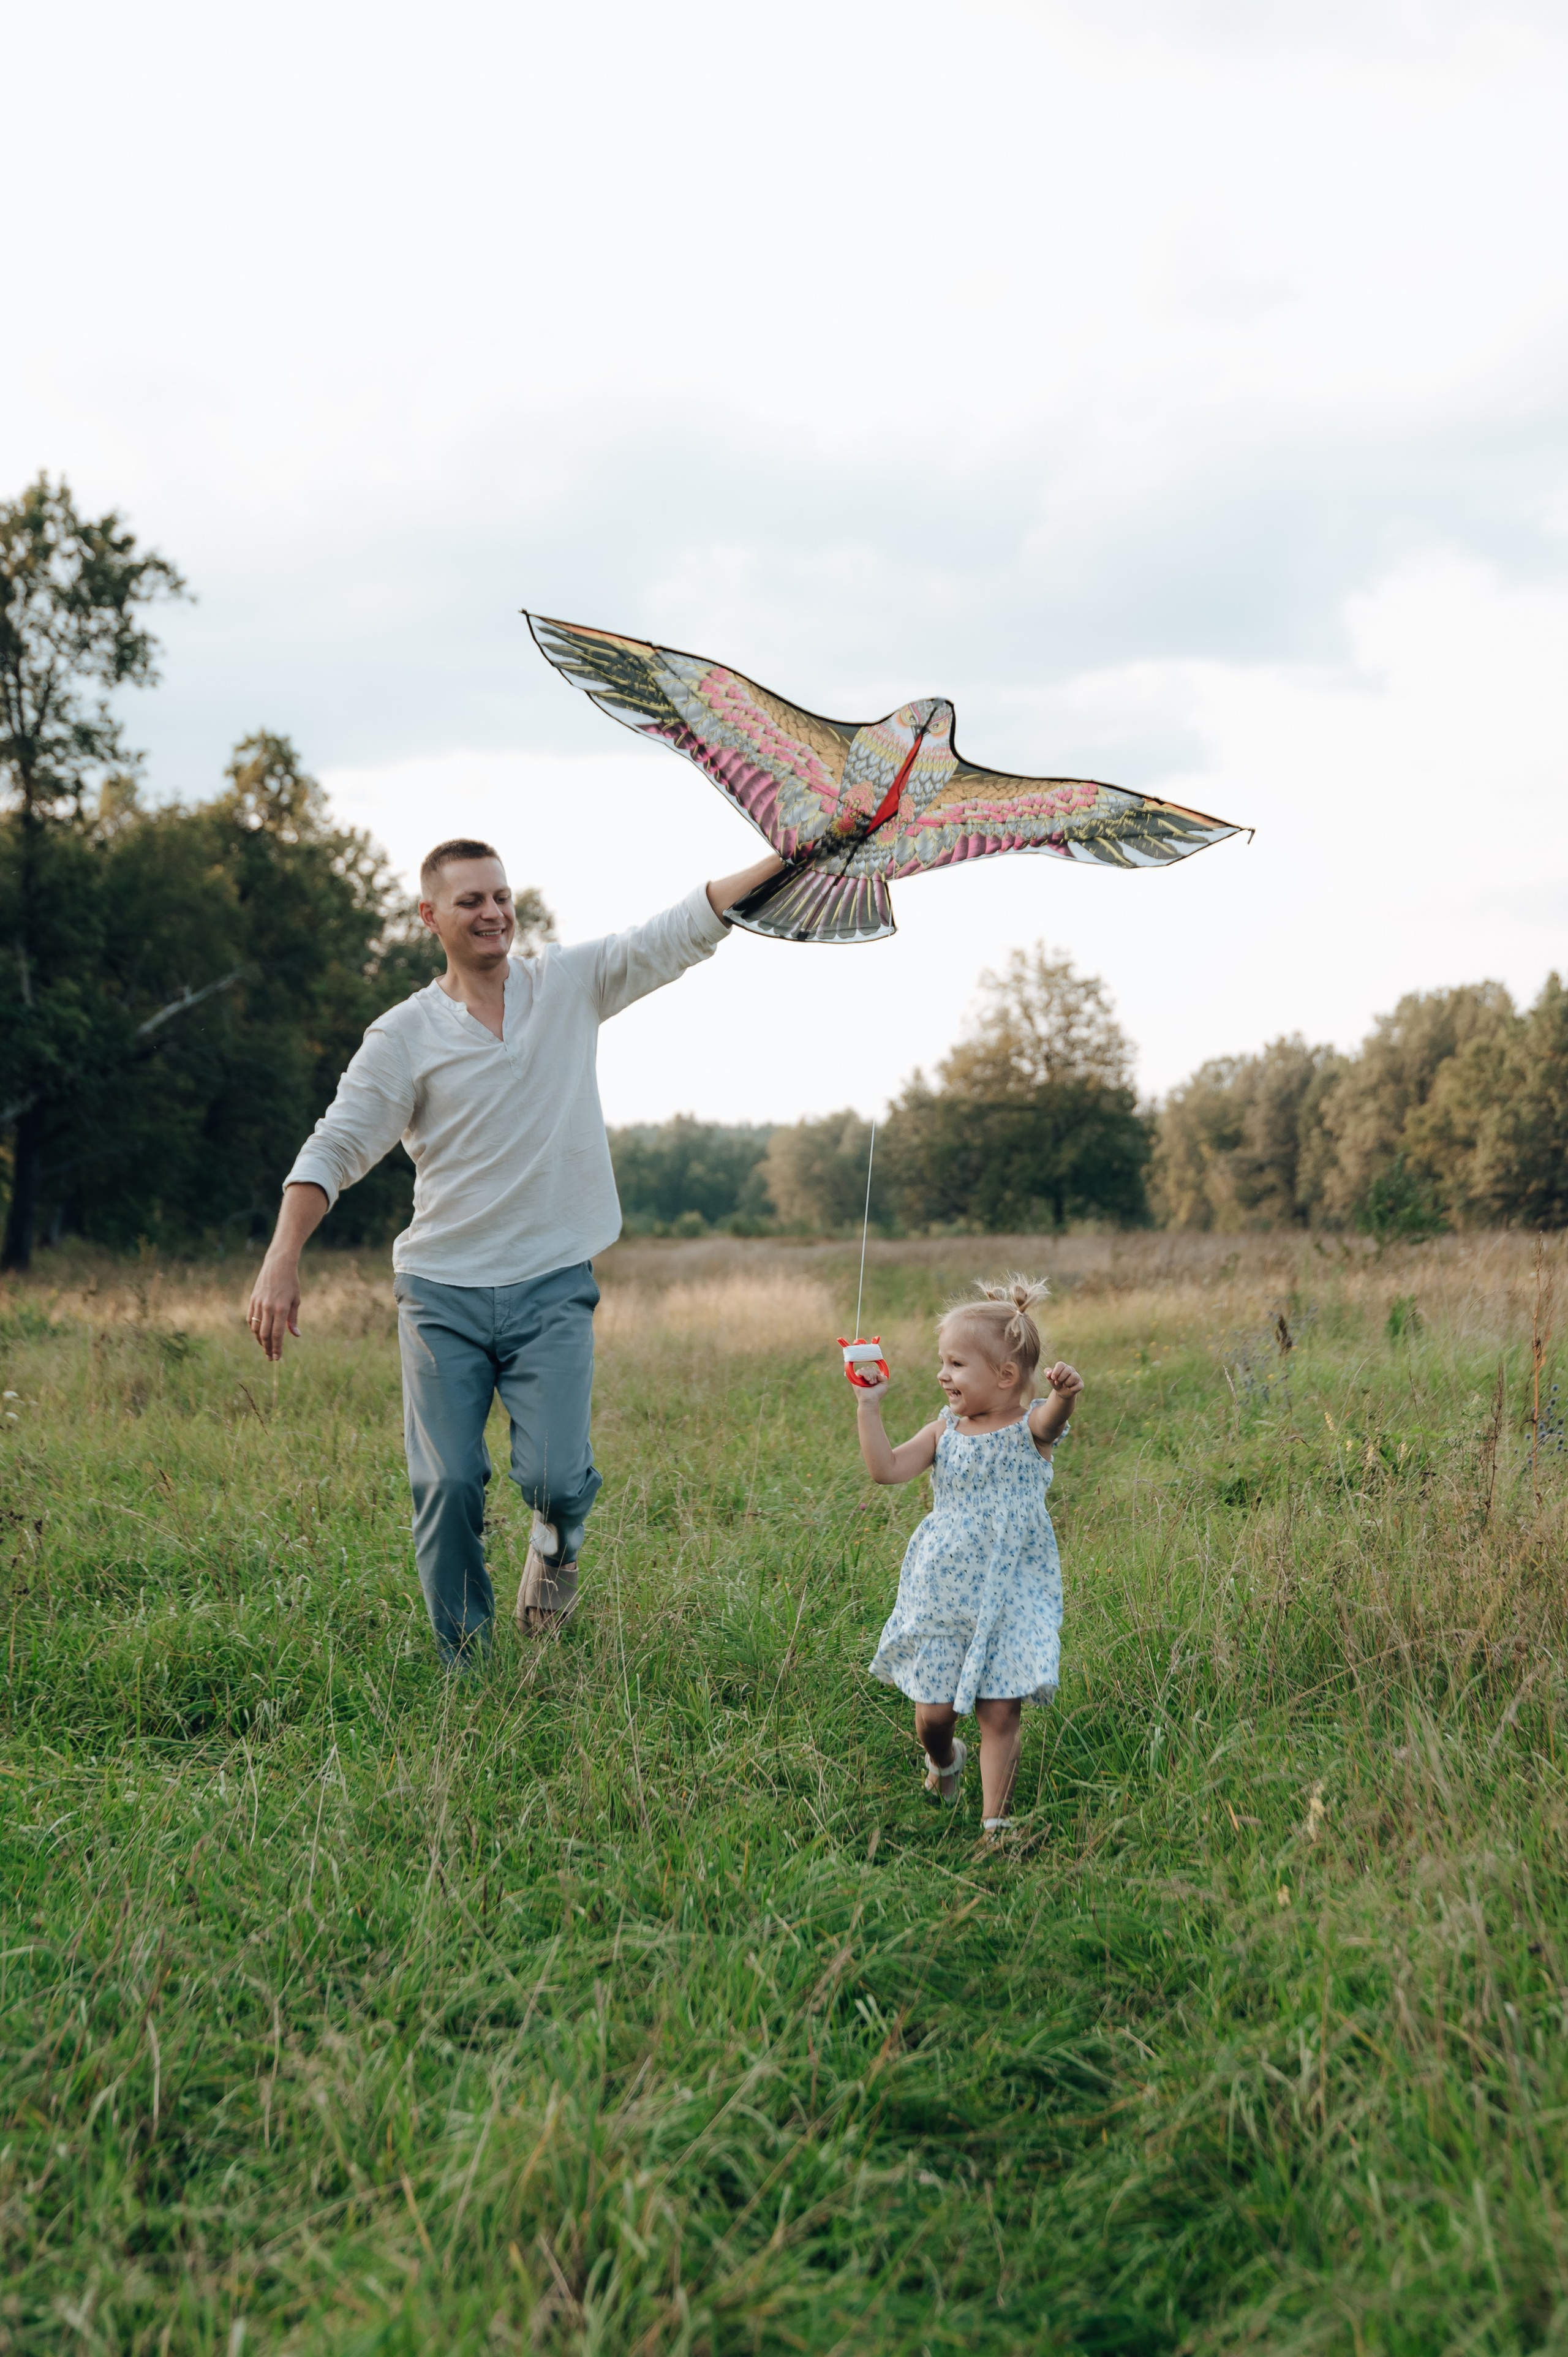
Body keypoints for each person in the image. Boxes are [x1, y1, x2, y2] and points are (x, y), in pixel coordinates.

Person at [246, 835, 782, 1669]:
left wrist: (788, 857)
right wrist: (283, 1257)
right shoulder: (403, 1036)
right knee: (448, 1483)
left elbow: (680, 929)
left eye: (500, 896)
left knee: (561, 1480)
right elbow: (335, 1148)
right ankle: (468, 1666)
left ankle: (555, 1549)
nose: (493, 912)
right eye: (471, 901)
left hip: (552, 1288)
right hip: (441, 1295)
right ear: (432, 917)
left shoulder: (565, 985)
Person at [853, 1277, 1084, 1838]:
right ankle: (943, 1759)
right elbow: (886, 1469)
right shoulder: (944, 1430)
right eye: (943, 1362)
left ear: (1005, 1376)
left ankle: (995, 1826)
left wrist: (1065, 1394)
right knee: (934, 1717)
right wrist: (868, 1406)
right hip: (943, 1592)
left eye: (956, 1364)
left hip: (1012, 1593)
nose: (942, 1374)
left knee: (1000, 1710)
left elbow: (1051, 1419)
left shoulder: (1030, 1430)